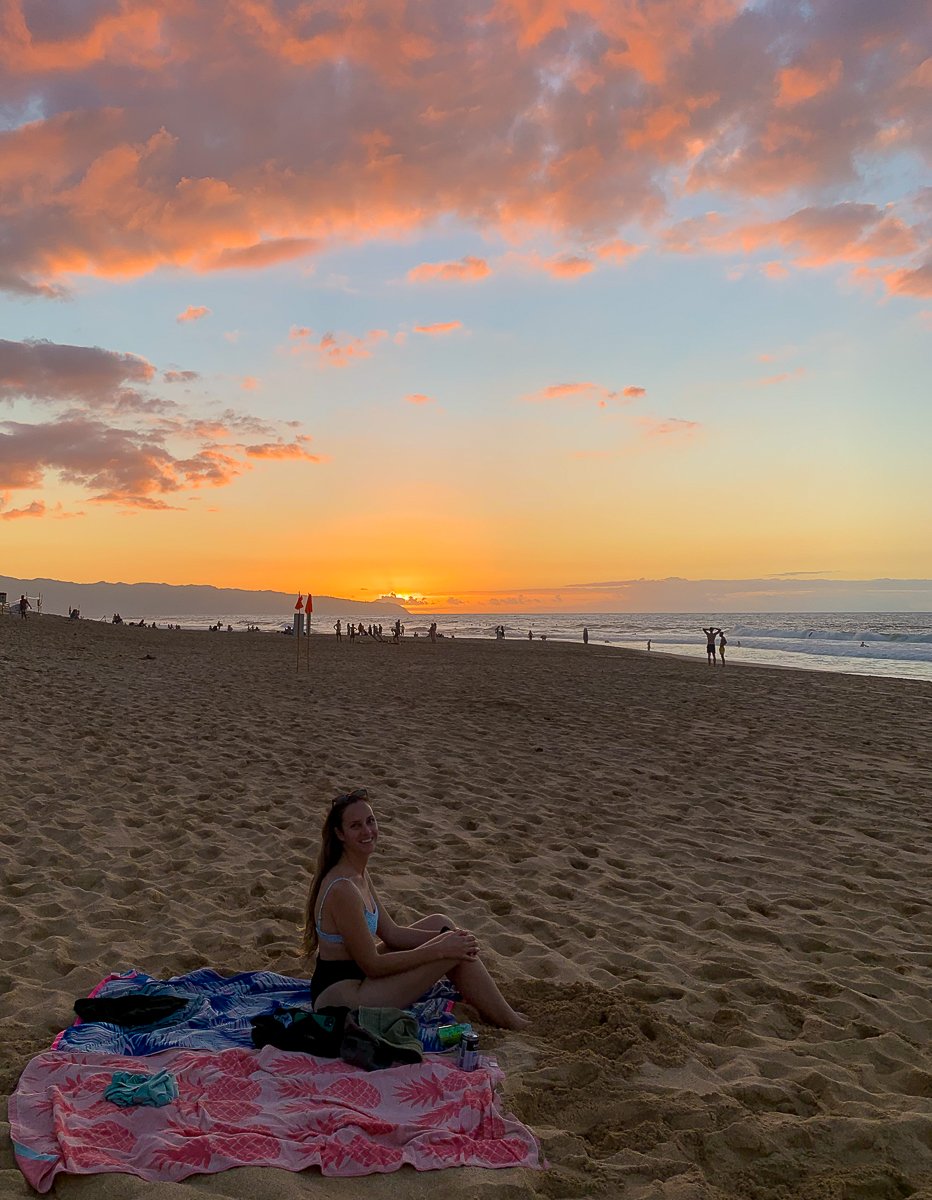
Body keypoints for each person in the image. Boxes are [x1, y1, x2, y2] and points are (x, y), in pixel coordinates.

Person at [303, 788, 528, 1029]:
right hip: (345, 999)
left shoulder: (358, 873)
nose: (367, 831)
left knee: (441, 924)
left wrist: (446, 936)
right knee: (452, 951)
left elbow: (392, 933)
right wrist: (440, 949)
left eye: (371, 821)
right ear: (340, 834)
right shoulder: (343, 889)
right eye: (356, 826)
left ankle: (492, 1006)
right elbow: (374, 965)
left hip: (359, 974)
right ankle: (512, 1021)